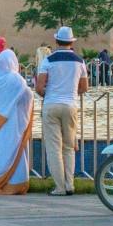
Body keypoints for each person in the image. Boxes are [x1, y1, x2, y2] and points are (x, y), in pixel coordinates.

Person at [36, 26, 89, 195]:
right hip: (71, 105)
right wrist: (71, 92)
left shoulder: (48, 60)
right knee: (69, 147)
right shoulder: (80, 61)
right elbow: (84, 87)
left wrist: (49, 92)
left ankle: (59, 187)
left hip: (51, 105)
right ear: (71, 42)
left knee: (54, 148)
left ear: (57, 41)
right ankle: (70, 185)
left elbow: (39, 87)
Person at [0, 45, 33, 194]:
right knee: (13, 150)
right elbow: (28, 96)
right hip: (12, 124)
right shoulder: (16, 80)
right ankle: (14, 185)